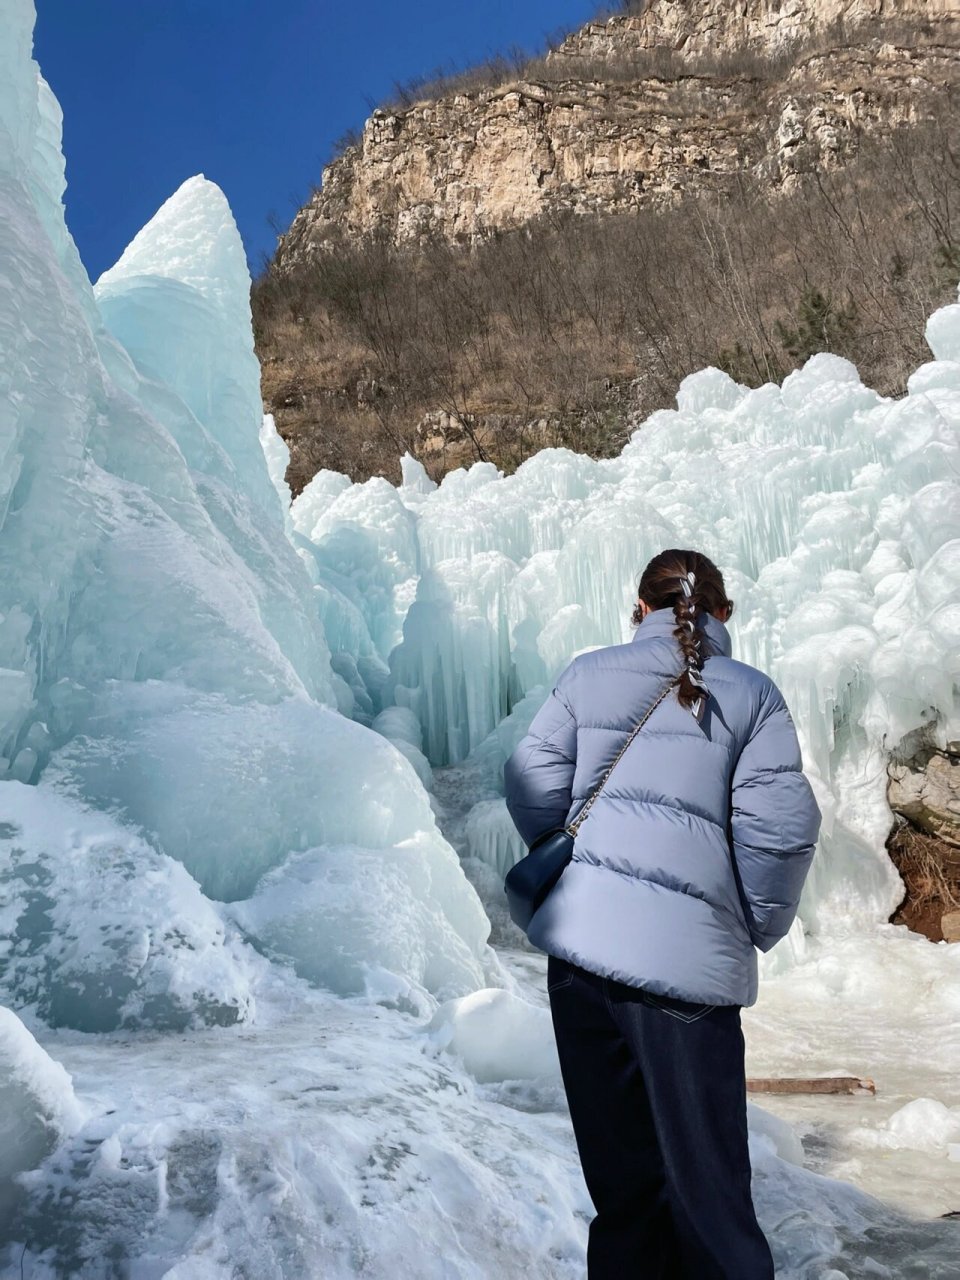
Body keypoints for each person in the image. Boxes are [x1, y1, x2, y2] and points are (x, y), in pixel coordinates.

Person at [503, 548, 821, 1280]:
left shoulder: (588, 675)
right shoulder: (750, 695)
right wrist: (753, 927)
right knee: (711, 1202)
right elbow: (781, 832)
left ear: (639, 608)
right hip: (684, 982)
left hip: (578, 967)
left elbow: (529, 781)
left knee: (624, 1196)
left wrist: (589, 869)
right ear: (723, 615)